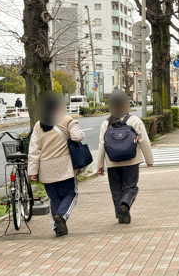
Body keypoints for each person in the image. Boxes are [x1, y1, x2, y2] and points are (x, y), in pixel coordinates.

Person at [28, 92, 85, 236]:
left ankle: (57, 227)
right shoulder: (66, 120)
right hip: (64, 166)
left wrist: (32, 171)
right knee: (71, 193)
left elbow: (34, 150)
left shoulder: (38, 125)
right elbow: (77, 137)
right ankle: (62, 216)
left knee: (54, 198)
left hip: (46, 168)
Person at [95, 90, 154, 224]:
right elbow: (144, 141)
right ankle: (125, 204)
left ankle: (120, 215)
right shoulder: (134, 121)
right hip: (131, 161)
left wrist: (100, 165)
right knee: (131, 187)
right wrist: (149, 160)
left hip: (112, 162)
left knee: (116, 189)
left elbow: (102, 145)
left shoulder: (106, 123)